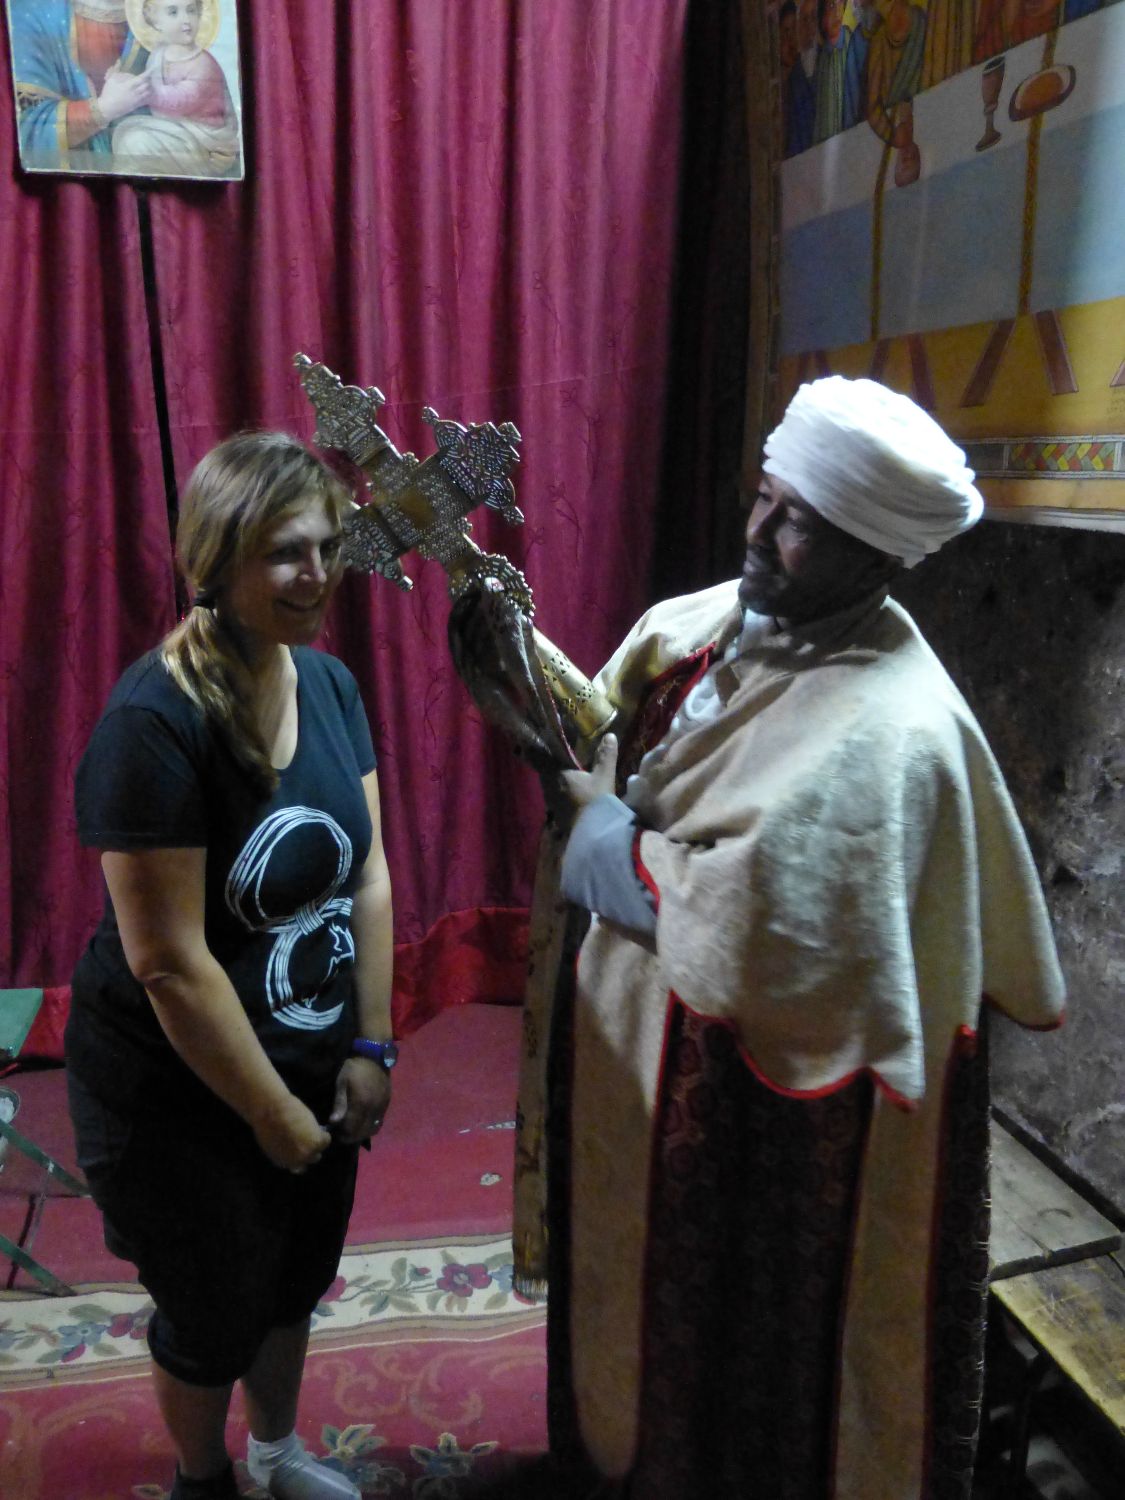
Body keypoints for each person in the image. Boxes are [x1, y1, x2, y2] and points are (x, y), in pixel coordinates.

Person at [511, 378, 1065, 1499]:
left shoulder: (895, 731)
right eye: (765, 497)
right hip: (639, 1053)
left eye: (800, 521)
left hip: (771, 1126)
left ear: (877, 557)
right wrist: (517, 686)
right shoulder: (707, 621)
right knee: (620, 1304)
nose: (760, 531)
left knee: (728, 1364)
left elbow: (762, 934)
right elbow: (604, 738)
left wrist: (614, 844)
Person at [67, 432, 395, 1500]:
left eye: (328, 547)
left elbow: (368, 873)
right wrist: (268, 1112)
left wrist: (372, 1044)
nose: (317, 573)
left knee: (293, 1280)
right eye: (286, 552)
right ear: (217, 560)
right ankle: (204, 1480)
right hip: (178, 1088)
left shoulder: (331, 686)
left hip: (308, 1057)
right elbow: (167, 964)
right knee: (214, 1308)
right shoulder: (153, 724)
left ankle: (276, 1451)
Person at [10, 0, 150, 170]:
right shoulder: (31, 11)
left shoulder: (155, 10)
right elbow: (26, 126)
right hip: (70, 179)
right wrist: (103, 110)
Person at [112, 0, 240, 177]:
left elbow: (181, 99)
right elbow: (148, 82)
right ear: (156, 22)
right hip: (175, 131)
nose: (186, 19)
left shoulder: (204, 64)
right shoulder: (158, 54)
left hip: (203, 142)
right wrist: (120, 80)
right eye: (173, 12)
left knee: (136, 143)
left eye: (191, 11)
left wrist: (146, 92)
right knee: (127, 136)